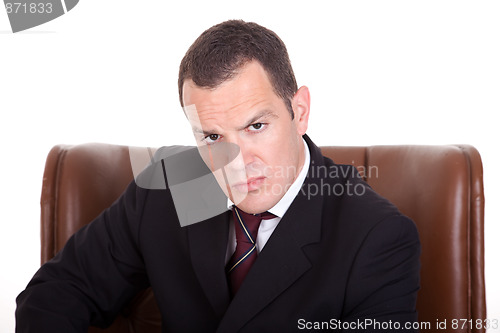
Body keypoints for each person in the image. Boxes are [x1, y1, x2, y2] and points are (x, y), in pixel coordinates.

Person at [16, 20, 420, 332]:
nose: (236, 161)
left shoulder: (376, 236)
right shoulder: (169, 188)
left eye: (256, 126)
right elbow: (56, 293)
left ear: (300, 111)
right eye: (213, 136)